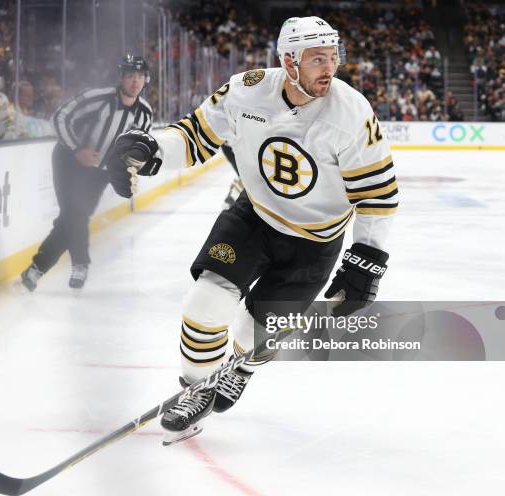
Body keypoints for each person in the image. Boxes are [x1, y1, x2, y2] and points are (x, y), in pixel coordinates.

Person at [110, 16, 399, 444]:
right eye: (317, 58)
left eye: (333, 57)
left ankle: (241, 367)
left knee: (253, 335)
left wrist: (367, 261)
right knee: (205, 302)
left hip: (315, 242)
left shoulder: (351, 111)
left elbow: (377, 195)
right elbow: (195, 136)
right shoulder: (247, 89)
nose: (329, 67)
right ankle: (196, 391)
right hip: (254, 216)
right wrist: (149, 147)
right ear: (288, 61)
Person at [20, 55, 154, 291]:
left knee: (72, 216)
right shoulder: (98, 98)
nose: (135, 81)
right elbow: (60, 116)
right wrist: (77, 149)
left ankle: (35, 270)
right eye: (131, 75)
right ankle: (79, 263)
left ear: (146, 79)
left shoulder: (144, 114)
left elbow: (139, 146)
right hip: (68, 160)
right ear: (121, 77)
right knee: (75, 213)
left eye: (140, 76)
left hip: (99, 172)